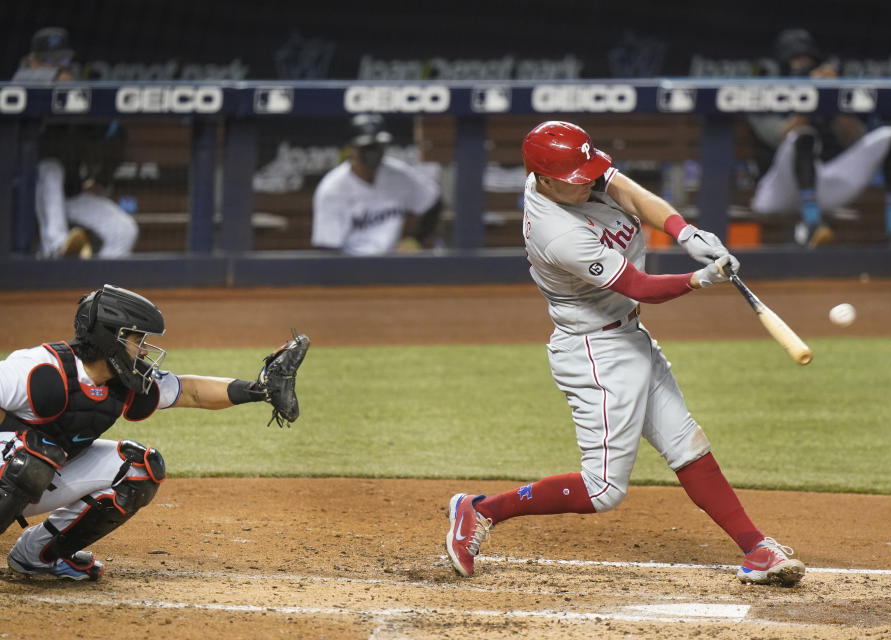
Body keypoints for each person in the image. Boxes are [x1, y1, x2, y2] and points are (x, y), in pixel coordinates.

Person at [445, 121, 805, 587]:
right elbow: (640, 287)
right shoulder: (557, 233)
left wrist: (684, 231)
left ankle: (756, 549)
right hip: (595, 351)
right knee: (602, 491)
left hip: (629, 336)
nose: (590, 181)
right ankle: (479, 510)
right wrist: (700, 279)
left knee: (687, 446)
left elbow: (631, 193)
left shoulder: (571, 174)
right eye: (578, 179)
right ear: (546, 180)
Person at [0, 285, 308, 580]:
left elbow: (190, 392)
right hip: (15, 470)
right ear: (112, 338)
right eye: (138, 339)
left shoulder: (125, 381)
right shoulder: (39, 369)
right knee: (30, 461)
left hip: (39, 474)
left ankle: (38, 555)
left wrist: (258, 390)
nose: (146, 348)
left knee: (139, 470)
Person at [749, 28, 891, 248]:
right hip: (777, 190)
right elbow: (780, 136)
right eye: (795, 59)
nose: (803, 64)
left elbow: (857, 138)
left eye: (807, 59)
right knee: (802, 137)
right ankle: (812, 227)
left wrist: (833, 97)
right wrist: (809, 99)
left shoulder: (825, 90)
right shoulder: (764, 91)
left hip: (824, 184)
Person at [13, 27, 139, 259]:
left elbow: (115, 131)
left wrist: (102, 179)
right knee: (50, 168)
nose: (58, 67)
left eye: (62, 60)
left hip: (68, 193)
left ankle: (98, 291)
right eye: (49, 61)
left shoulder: (77, 94)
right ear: (32, 61)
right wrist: (54, 83)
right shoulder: (16, 89)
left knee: (124, 230)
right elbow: (26, 84)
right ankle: (56, 249)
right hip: (21, 197)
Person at [311, 114, 442, 255]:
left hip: (392, 264)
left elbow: (434, 202)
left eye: (378, 146)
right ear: (352, 149)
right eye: (367, 147)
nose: (373, 153)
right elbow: (328, 248)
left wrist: (416, 240)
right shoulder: (332, 188)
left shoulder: (399, 175)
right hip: (351, 267)